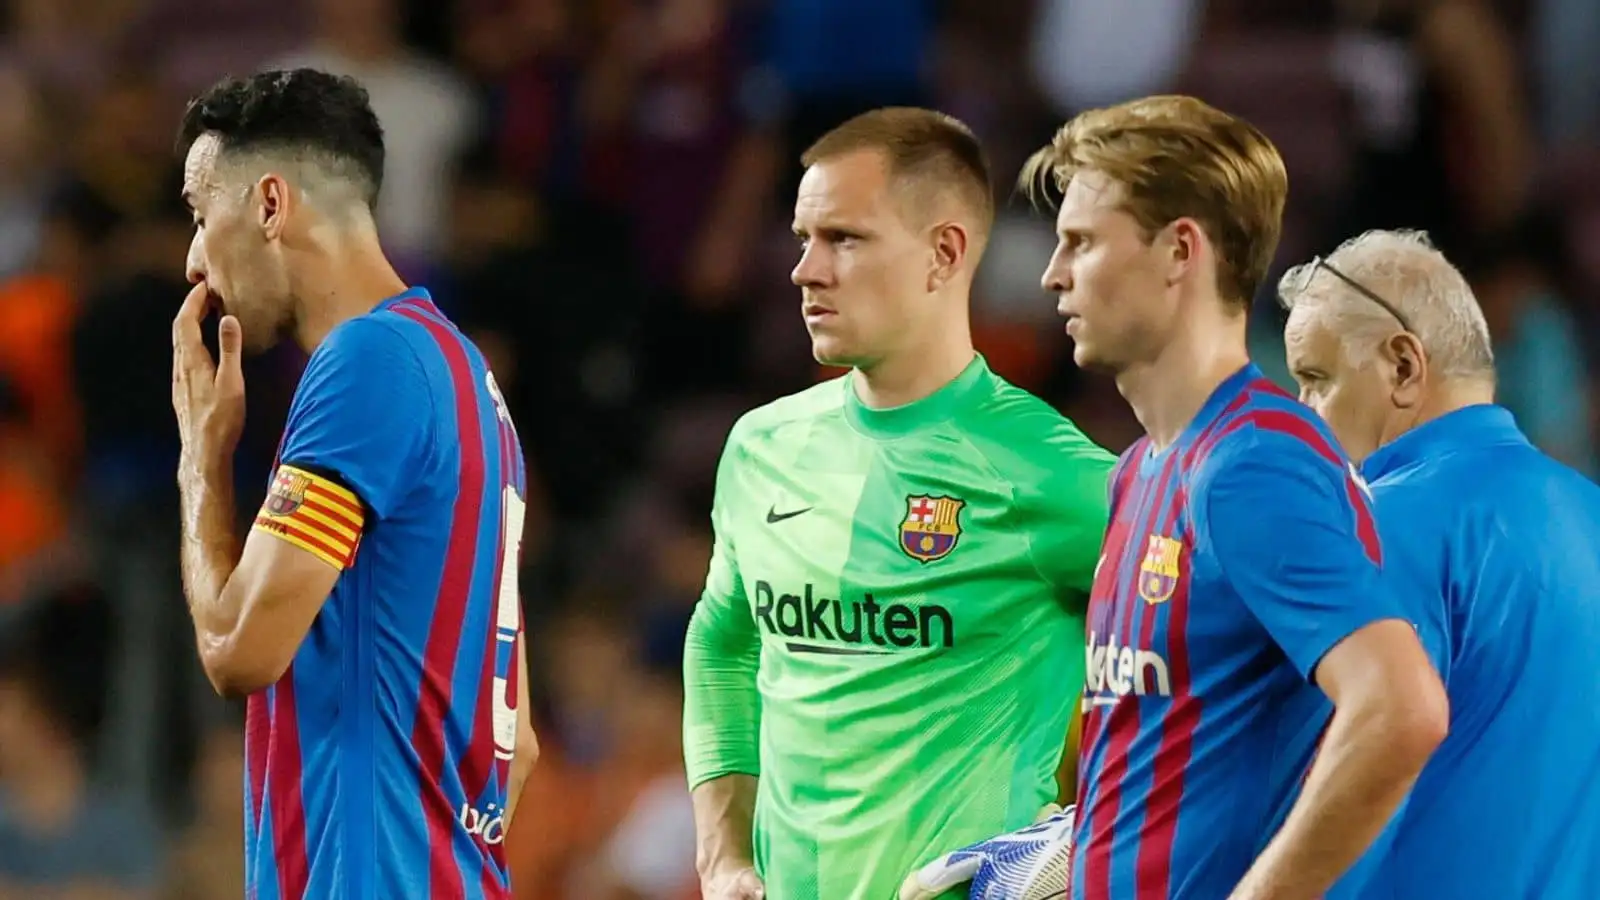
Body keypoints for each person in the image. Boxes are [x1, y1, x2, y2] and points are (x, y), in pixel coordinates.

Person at [682, 106, 1115, 900]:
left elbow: (1219, 648)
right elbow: (724, 643)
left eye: (844, 238)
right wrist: (722, 854)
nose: (805, 270)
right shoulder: (761, 448)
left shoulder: (1052, 474)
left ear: (943, 253)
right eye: (803, 238)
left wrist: (1093, 833)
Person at [1023, 94, 1449, 900]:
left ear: (1180, 250)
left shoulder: (1253, 464)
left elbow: (1402, 706)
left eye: (1080, 242)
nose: (1053, 273)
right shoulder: (1143, 469)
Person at [170, 69, 539, 899]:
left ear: (269, 204)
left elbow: (238, 651)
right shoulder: (465, 379)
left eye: (200, 215)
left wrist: (202, 462)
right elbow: (519, 748)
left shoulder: (364, 366)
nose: (194, 259)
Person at [1277, 228, 1600, 899]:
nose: (1304, 417)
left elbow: (1348, 789)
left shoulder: (1375, 526)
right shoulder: (1589, 509)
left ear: (1402, 367)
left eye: (1316, 380)